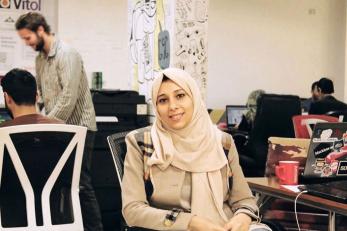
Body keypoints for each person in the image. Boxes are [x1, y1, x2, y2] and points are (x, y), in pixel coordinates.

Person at [122, 68, 271, 231]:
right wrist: (190, 222)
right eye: (163, 100)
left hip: (224, 225)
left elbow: (244, 199)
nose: (173, 106)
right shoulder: (142, 142)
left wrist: (243, 217)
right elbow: (132, 210)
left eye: (180, 96)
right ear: (156, 107)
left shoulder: (222, 142)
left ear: (194, 97)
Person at [15, 12, 103, 231]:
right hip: (58, 130)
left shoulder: (67, 54)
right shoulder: (40, 60)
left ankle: (95, 229)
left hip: (79, 128)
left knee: (80, 184)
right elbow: (43, 97)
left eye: (28, 38)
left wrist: (44, 125)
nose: (27, 43)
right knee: (59, 183)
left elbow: (68, 99)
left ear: (40, 30)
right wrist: (36, 120)